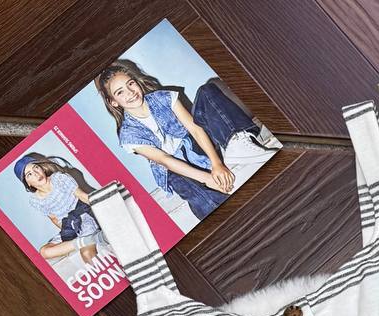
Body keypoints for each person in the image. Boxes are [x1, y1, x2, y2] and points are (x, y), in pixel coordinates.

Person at [94, 60, 269, 221]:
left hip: (196, 145)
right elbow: (165, 160)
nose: (130, 92)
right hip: (174, 169)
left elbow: (195, 129)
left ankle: (236, 143)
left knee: (207, 91)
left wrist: (216, 163)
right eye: (120, 92)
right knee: (193, 192)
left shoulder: (163, 97)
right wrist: (207, 178)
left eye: (130, 83)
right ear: (114, 102)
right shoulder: (128, 135)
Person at [17, 154, 101, 266]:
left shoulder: (59, 178)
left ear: (41, 168)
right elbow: (54, 219)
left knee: (86, 253)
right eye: (29, 174)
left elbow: (82, 196)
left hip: (84, 216)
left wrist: (104, 208)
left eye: (36, 167)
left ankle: (86, 239)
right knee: (44, 252)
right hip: (68, 225)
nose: (36, 174)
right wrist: (69, 233)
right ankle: (82, 241)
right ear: (27, 183)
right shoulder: (35, 201)